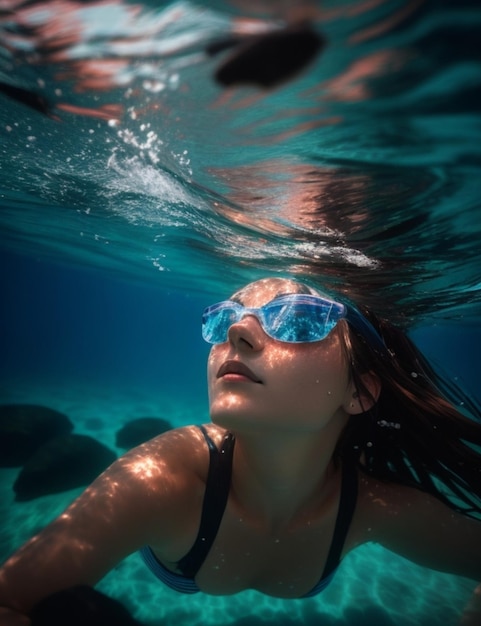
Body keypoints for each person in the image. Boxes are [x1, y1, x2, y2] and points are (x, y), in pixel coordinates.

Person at [1, 276, 481, 625]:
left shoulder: (370, 505)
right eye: (224, 317)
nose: (238, 331)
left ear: (360, 392)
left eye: (297, 319)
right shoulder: (164, 478)